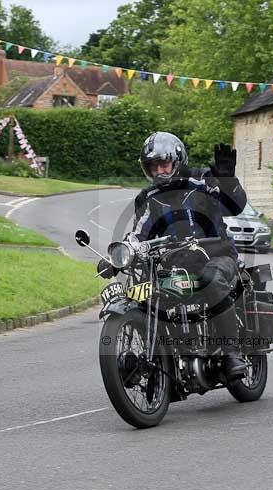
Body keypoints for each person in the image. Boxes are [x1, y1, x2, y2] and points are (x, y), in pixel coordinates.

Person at [97, 132, 249, 380]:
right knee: (150, 293)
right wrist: (120, 256)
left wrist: (228, 181)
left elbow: (235, 206)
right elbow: (138, 233)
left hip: (216, 256)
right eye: (153, 166)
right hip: (176, 266)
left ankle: (232, 352)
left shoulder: (201, 180)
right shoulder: (149, 199)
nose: (159, 171)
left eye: (163, 164)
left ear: (177, 161)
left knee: (210, 279)